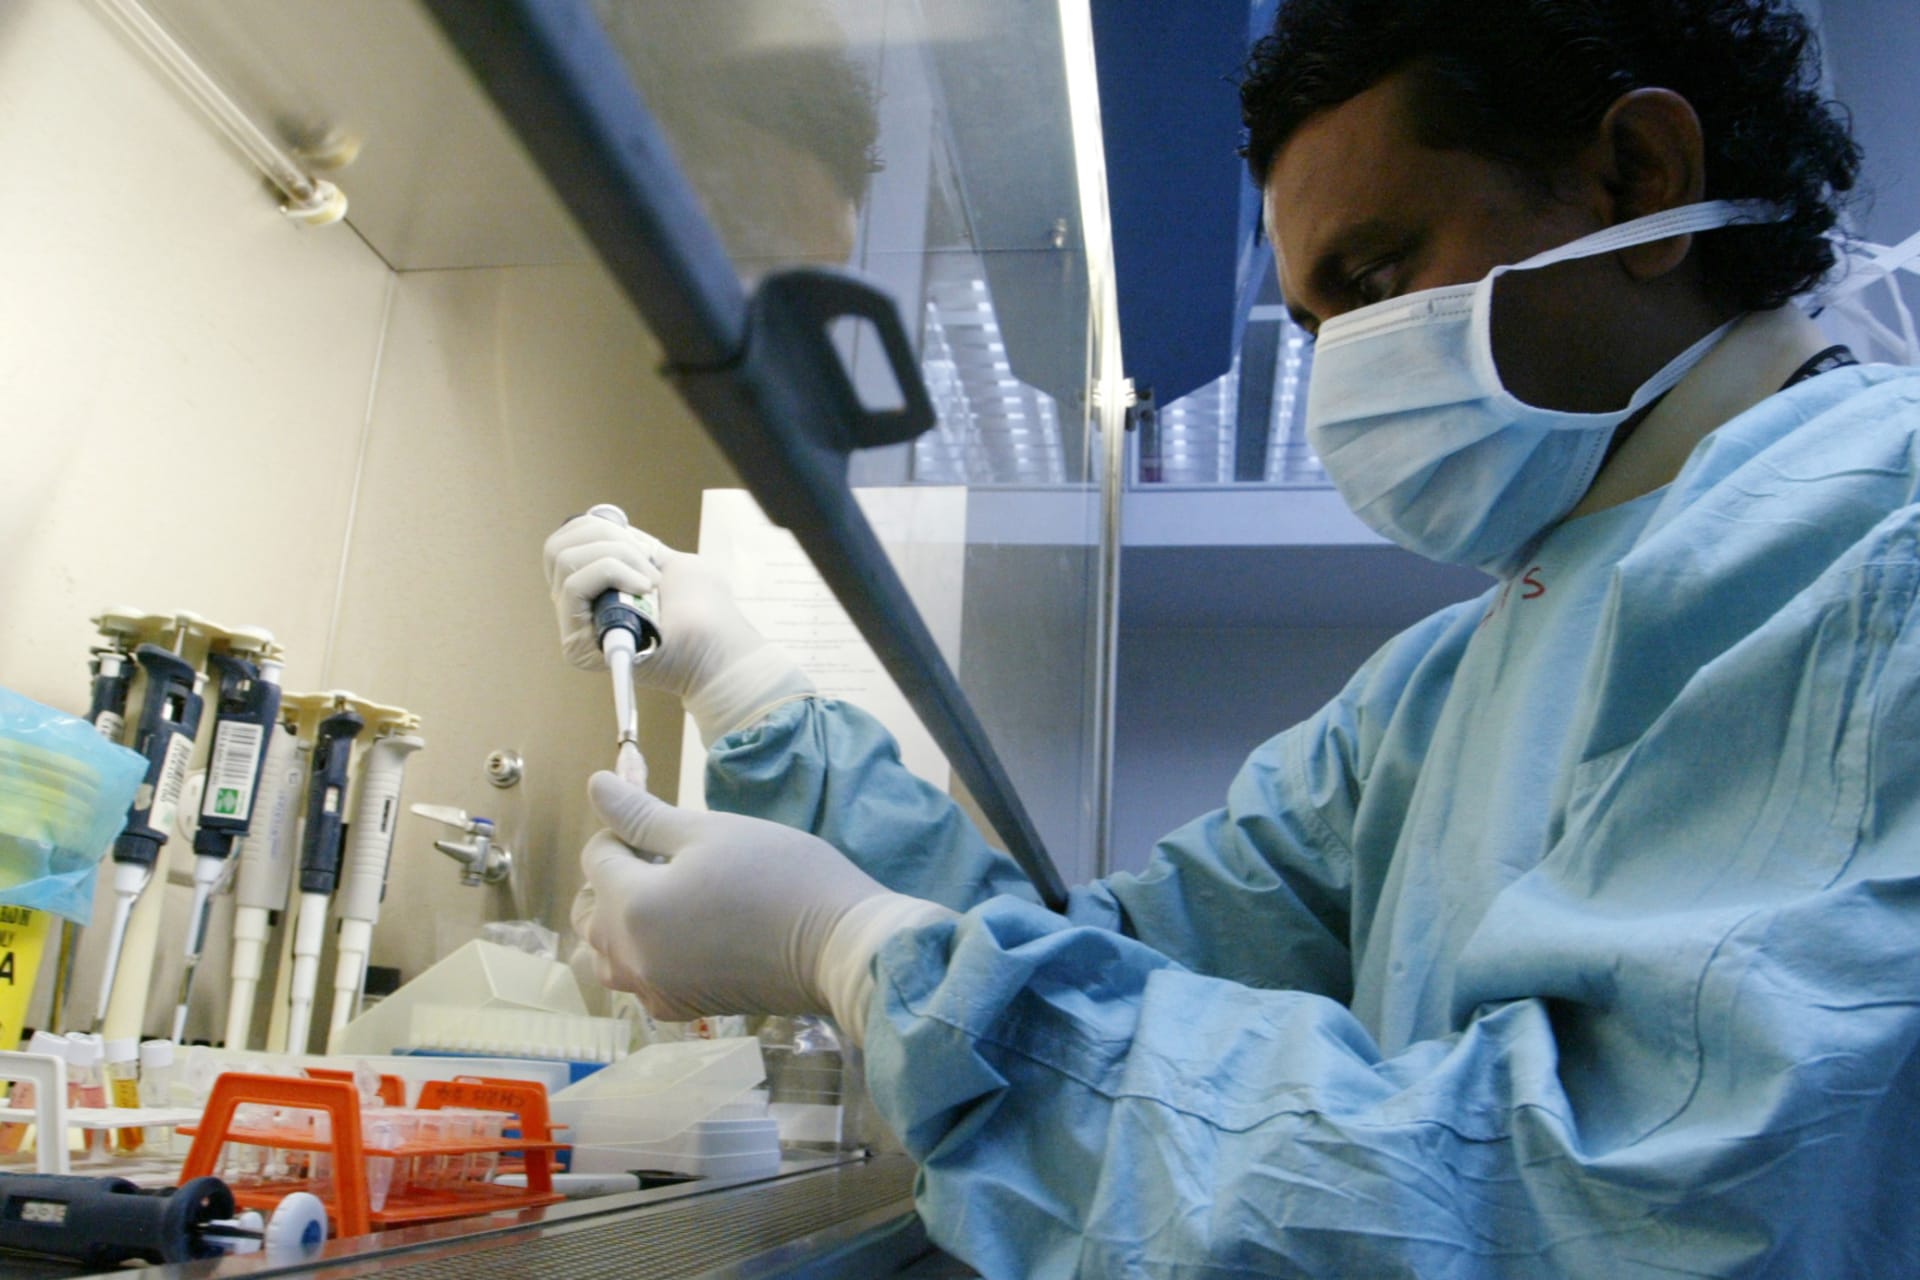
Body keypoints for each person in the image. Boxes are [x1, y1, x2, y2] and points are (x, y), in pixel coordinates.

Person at [547, 0, 1920, 1273]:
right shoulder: (1450, 684)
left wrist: (851, 949)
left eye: (1379, 272)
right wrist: (756, 701)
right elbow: (1108, 967)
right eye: (1315, 323)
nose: (1347, 375)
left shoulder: (1873, 548)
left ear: (1638, 177)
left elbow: (1608, 1208)